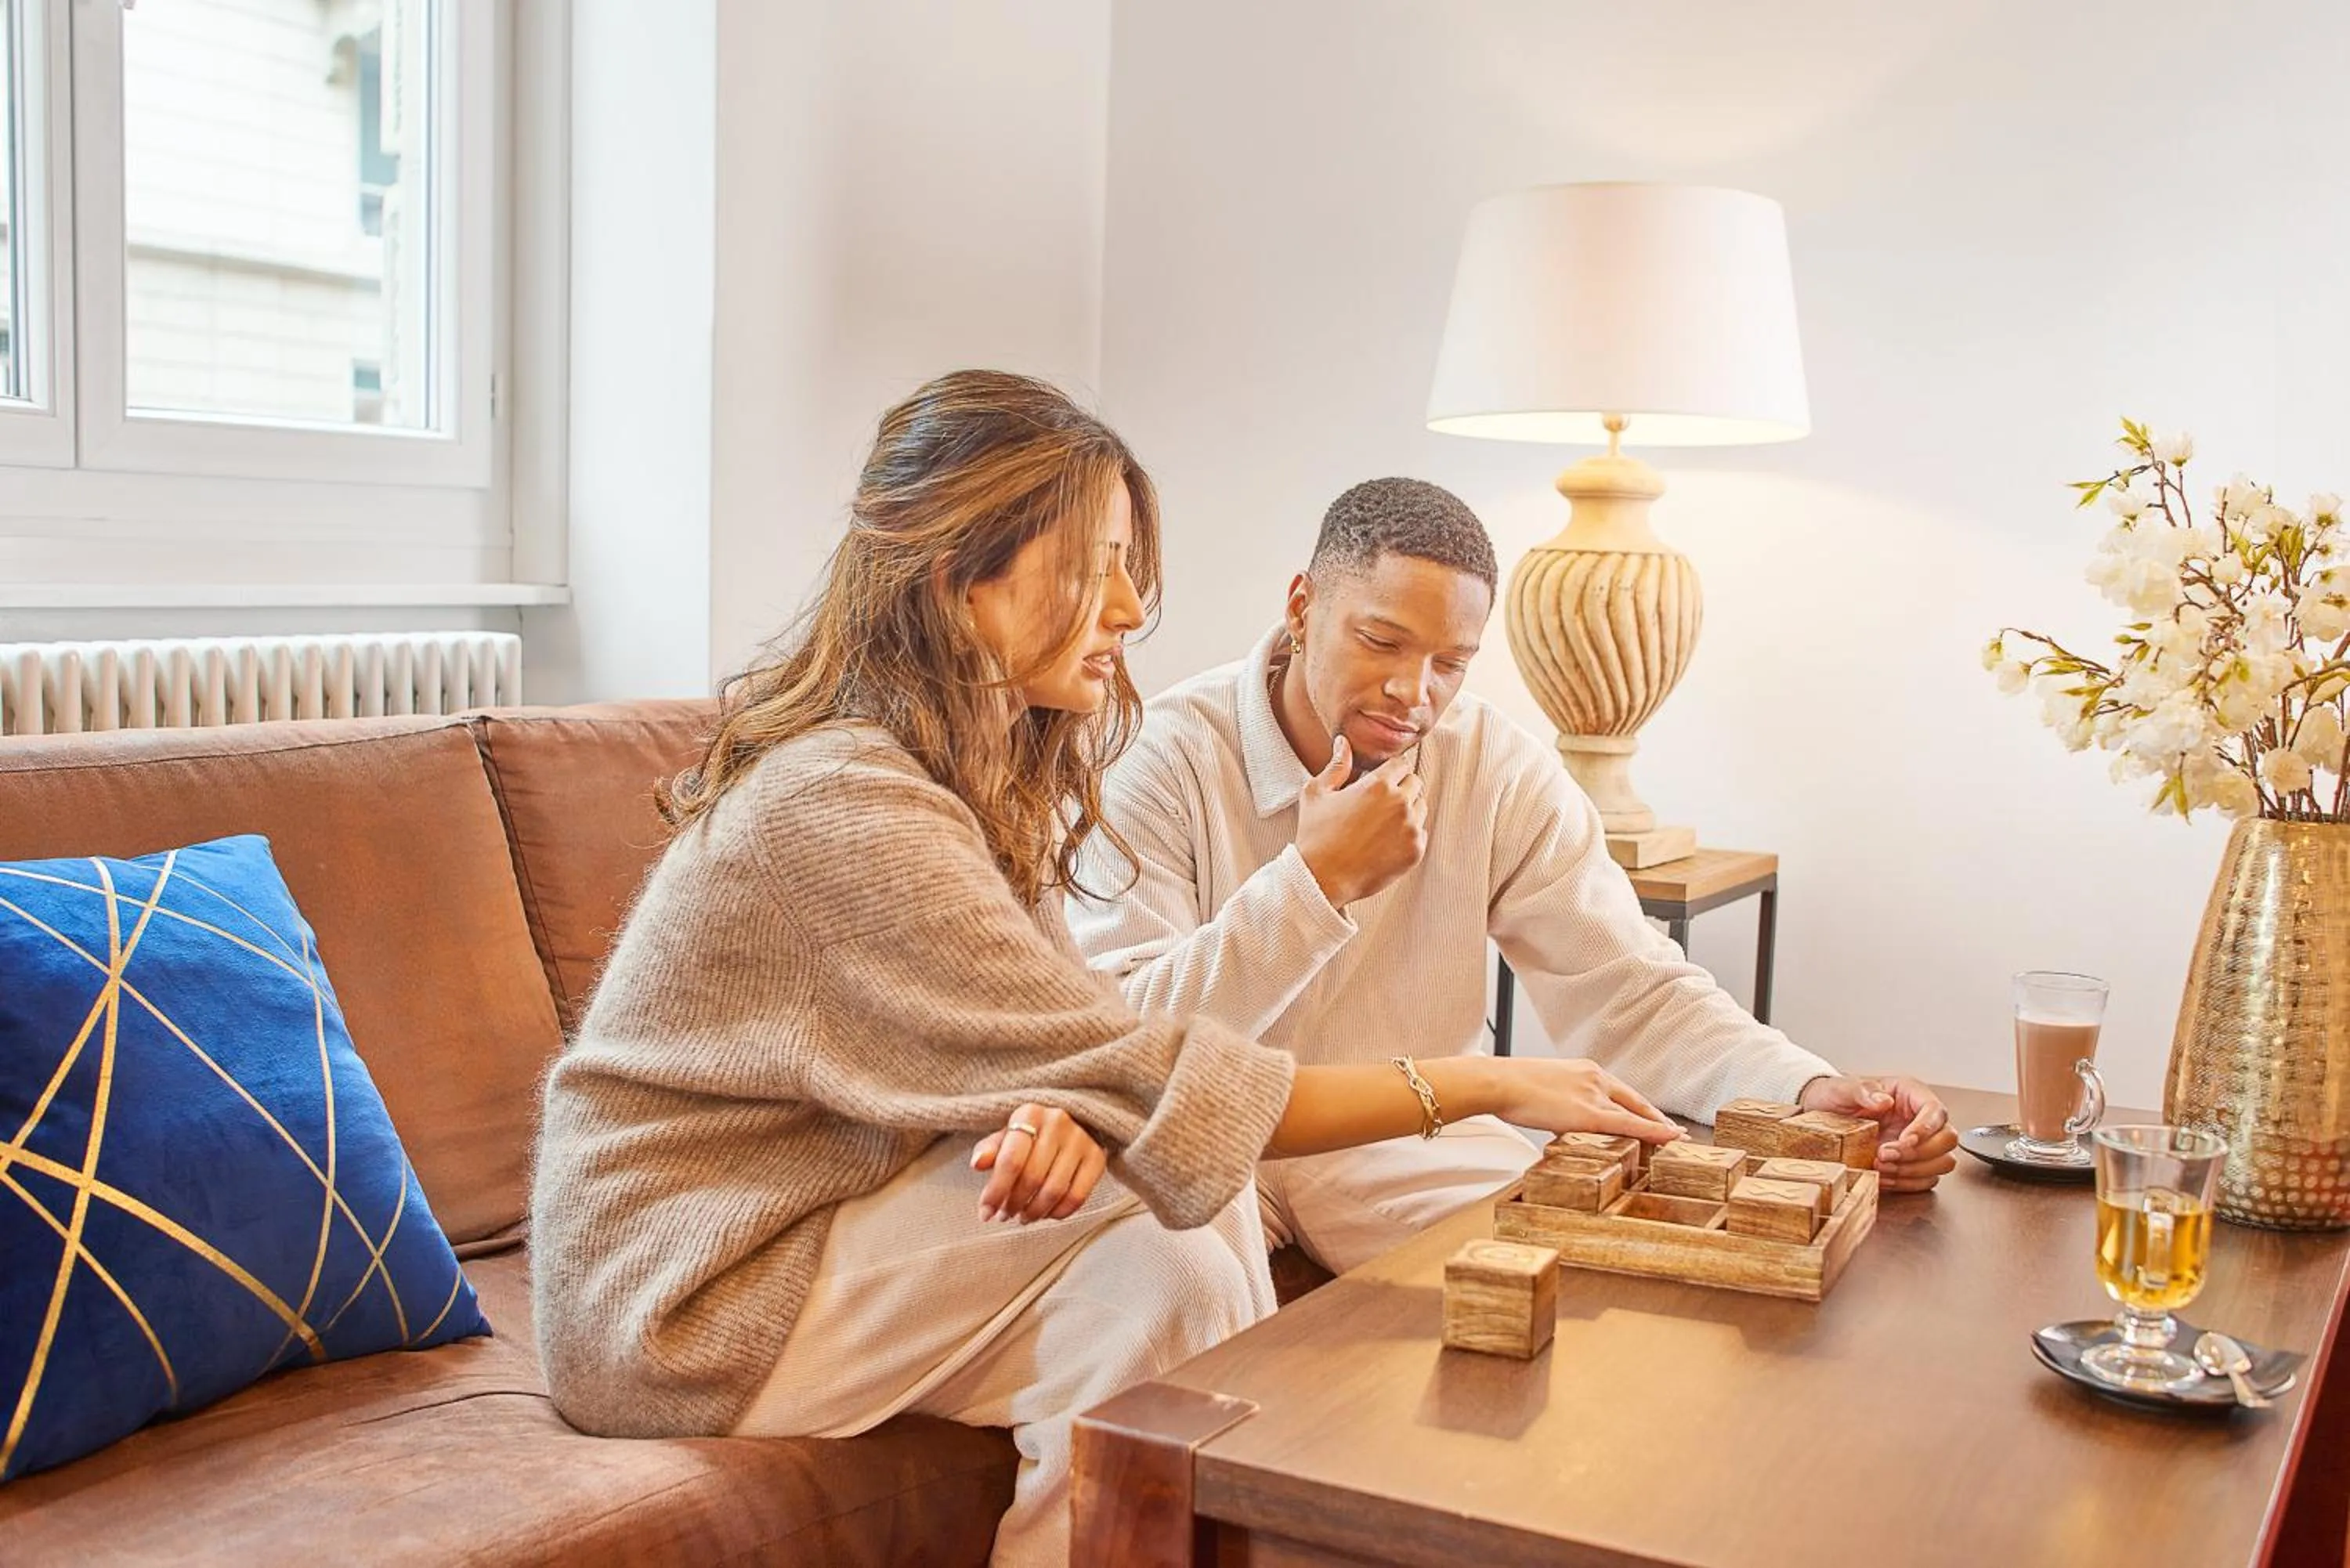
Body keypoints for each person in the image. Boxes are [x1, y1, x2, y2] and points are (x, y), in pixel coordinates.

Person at [530, 379, 1691, 1568]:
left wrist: (1064, 1103)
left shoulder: (973, 771)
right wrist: (1490, 1083)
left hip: (832, 1204)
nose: (1134, 608)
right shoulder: (845, 803)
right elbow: (1148, 1076)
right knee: (1180, 1187)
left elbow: (1062, 1041)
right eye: (1099, 568)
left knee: (1161, 1277)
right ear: (960, 576)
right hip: (687, 1288)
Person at [1068, 477, 1960, 1277]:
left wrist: (1808, 1090)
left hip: (1408, 1137)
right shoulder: (1158, 760)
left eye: (1450, 663)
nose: (1413, 692)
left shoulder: (1493, 765)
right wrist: (1316, 882)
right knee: (1161, 1291)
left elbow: (1631, 989)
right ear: (1302, 607)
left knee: (1587, 1297)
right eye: (1380, 641)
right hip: (1201, 1141)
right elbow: (1127, 1045)